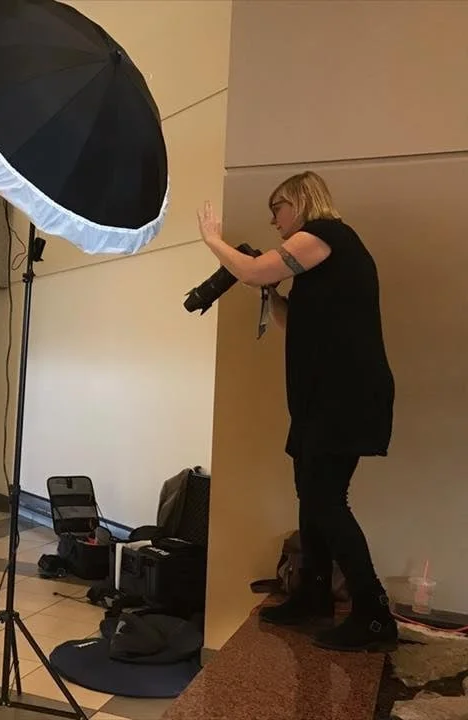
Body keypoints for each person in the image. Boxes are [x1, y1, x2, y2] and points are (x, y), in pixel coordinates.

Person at [196, 171, 397, 652]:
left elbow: (258, 268)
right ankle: (313, 596)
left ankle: (373, 614)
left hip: (344, 397)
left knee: (326, 497)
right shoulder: (318, 258)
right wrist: (268, 293)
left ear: (301, 201)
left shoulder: (325, 234)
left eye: (277, 208)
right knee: (312, 493)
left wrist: (214, 242)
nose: (273, 220)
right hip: (321, 399)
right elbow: (294, 320)